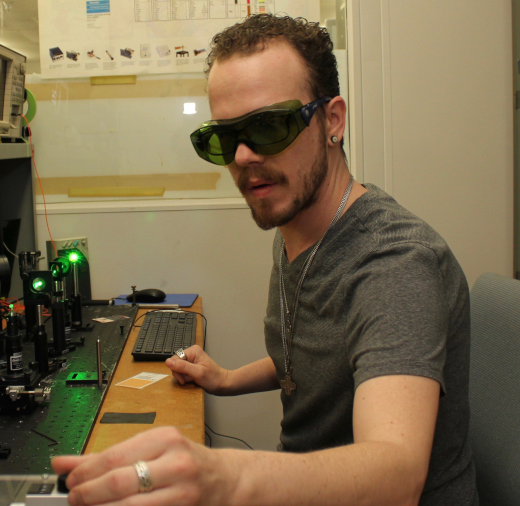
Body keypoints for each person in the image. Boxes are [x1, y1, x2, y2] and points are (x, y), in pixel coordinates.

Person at [52, 14, 478, 506]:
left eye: (270, 126)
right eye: (225, 138)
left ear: (332, 120)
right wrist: (227, 379)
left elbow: (397, 476)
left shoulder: (394, 264)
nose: (245, 156)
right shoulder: (297, 221)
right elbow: (319, 360)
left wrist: (229, 477)